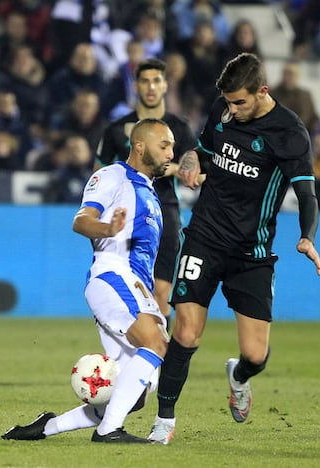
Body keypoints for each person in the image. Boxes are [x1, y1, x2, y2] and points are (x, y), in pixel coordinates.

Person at [147, 53, 320, 445]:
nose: (231, 110)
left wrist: (306, 236)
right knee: (187, 332)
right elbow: (203, 149)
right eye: (227, 102)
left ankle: (239, 376)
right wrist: (192, 161)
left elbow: (307, 194)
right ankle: (163, 421)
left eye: (239, 102)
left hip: (252, 251)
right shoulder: (224, 110)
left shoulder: (290, 133)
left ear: (262, 91)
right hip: (205, 237)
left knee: (256, 355)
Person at [1, 118, 175, 443]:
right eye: (164, 145)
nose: (170, 153)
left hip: (136, 286)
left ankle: (47, 426)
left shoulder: (149, 190)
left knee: (134, 395)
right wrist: (107, 229)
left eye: (172, 147)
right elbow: (81, 221)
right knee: (156, 343)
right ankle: (108, 431)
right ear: (140, 146)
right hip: (112, 276)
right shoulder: (112, 176)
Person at [96, 58, 197, 331]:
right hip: (125, 216)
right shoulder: (117, 129)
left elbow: (194, 169)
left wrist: (181, 170)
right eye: (144, 80)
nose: (151, 87)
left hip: (164, 212)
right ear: (136, 85)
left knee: (160, 296)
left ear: (165, 85)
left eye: (156, 80)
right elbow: (99, 172)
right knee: (128, 293)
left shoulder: (180, 128)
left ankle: (155, 367)